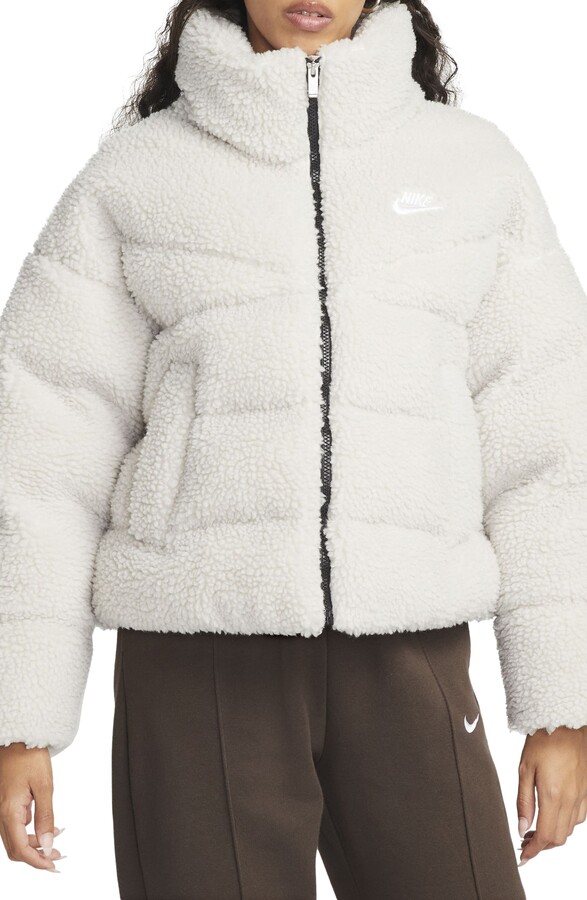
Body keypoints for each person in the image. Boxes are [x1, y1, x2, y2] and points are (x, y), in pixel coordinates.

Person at [1, 0, 586, 895]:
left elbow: (547, 448)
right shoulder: (138, 175)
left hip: (409, 648)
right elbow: (40, 454)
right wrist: (20, 717)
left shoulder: (472, 169)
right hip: (196, 655)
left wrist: (561, 705)